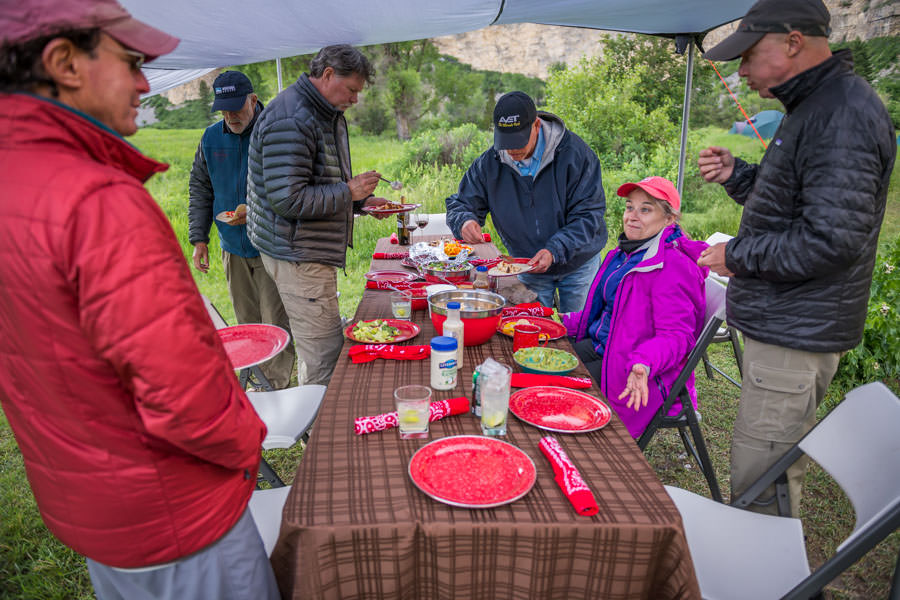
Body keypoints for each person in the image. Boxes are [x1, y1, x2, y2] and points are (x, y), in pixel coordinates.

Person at [0, 2, 279, 598]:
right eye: (129, 61)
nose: (145, 82)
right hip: (175, 508)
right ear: (64, 62)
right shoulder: (95, 198)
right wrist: (248, 440)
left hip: (91, 500)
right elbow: (184, 395)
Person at [698, 0, 896, 516]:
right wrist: (739, 175)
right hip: (790, 324)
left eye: (748, 55)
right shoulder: (816, 107)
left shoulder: (843, 114)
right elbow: (796, 202)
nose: (740, 70)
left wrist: (737, 254)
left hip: (796, 332)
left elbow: (830, 240)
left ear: (792, 42)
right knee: (761, 477)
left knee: (761, 487)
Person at [246, 44, 388, 386]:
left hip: (301, 247)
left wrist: (357, 203)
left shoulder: (316, 110)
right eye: (352, 90)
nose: (355, 100)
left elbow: (313, 181)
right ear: (327, 75)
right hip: (297, 253)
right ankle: (323, 435)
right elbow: (288, 200)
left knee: (319, 345)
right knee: (324, 354)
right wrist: (348, 192)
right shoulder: (294, 117)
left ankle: (317, 422)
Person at [563, 177, 708, 439]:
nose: (632, 216)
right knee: (539, 364)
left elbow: (678, 336)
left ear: (669, 219)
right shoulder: (623, 254)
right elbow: (603, 313)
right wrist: (557, 320)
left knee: (558, 392)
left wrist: (644, 362)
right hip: (603, 347)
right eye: (630, 207)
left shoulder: (673, 266)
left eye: (645, 209)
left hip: (634, 366)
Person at [445, 91, 606, 312]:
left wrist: (555, 250)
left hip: (579, 264)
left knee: (577, 332)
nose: (512, 149)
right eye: (506, 141)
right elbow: (461, 203)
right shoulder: (488, 164)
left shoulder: (576, 155)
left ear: (536, 125)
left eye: (519, 140)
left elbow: (589, 215)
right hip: (528, 264)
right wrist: (464, 221)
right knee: (531, 326)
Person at [188, 70, 295, 389]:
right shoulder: (210, 137)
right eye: (224, 108)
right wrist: (199, 238)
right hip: (231, 245)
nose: (230, 115)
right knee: (248, 322)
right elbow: (200, 187)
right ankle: (259, 378)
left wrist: (257, 210)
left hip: (270, 245)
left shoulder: (275, 133)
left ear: (253, 99)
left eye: (237, 106)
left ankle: (275, 386)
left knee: (275, 320)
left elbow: (291, 188)